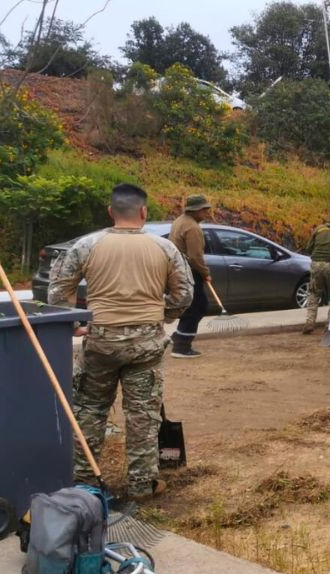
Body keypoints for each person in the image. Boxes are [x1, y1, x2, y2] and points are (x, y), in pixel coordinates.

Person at [49, 183, 193, 500]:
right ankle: (142, 484)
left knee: (89, 410)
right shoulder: (165, 248)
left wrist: (74, 324)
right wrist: (162, 314)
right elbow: (185, 294)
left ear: (110, 211)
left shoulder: (87, 246)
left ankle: (84, 483)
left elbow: (58, 290)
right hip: (146, 345)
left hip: (100, 341)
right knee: (142, 415)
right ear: (143, 211)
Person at [169, 194, 213, 358]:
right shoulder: (193, 227)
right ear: (195, 210)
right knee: (197, 306)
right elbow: (195, 256)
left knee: (189, 306)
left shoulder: (179, 221)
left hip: (177, 268)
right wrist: (205, 273)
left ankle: (178, 337)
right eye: (204, 210)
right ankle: (181, 346)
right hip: (189, 270)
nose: (207, 213)